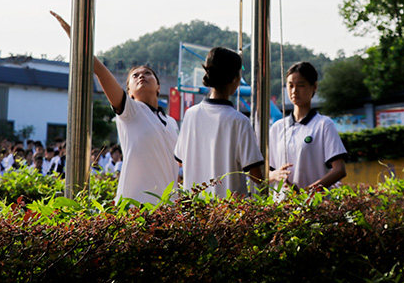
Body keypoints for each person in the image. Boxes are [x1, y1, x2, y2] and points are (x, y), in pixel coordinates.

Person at [51, 11, 178, 204]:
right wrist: (76, 37)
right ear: (129, 90)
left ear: (159, 86)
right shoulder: (132, 112)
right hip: (136, 208)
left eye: (147, 73)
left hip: (168, 208)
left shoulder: (172, 123)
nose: (141, 76)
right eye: (135, 76)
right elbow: (101, 72)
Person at [175, 47, 264, 198]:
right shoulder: (239, 121)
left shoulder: (190, 114)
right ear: (236, 79)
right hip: (227, 214)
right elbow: (256, 175)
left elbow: (180, 161)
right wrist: (273, 176)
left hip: (194, 210)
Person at [269, 62, 348, 191]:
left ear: (314, 87)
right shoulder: (277, 128)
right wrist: (273, 175)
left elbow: (339, 170)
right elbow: (266, 172)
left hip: (314, 206)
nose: (295, 91)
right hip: (281, 206)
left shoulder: (323, 125)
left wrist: (307, 193)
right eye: (290, 86)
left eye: (301, 85)